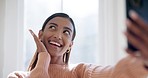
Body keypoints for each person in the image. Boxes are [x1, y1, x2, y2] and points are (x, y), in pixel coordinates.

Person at [8, 11, 148, 78]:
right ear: (40, 34)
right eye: (52, 27)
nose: (58, 35)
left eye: (66, 32)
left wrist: (143, 61)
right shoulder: (18, 76)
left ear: (70, 45)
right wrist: (43, 59)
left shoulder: (80, 71)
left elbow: (115, 73)